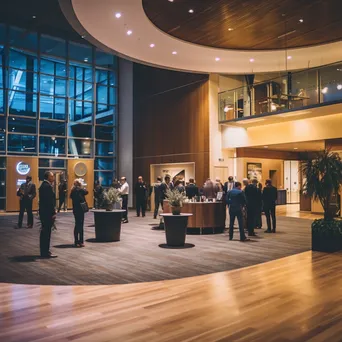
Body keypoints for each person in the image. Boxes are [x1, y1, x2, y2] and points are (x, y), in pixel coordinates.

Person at [39, 171, 57, 258]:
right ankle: (45, 252)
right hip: (47, 213)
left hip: (43, 212)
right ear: (48, 177)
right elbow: (49, 201)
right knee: (46, 232)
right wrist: (53, 213)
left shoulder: (43, 185)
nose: (53, 178)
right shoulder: (47, 187)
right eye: (52, 176)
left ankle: (44, 251)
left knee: (44, 232)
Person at [70, 179, 89, 247]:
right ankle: (81, 241)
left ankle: (76, 241)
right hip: (80, 209)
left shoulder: (72, 190)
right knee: (81, 225)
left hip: (75, 209)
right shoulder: (80, 190)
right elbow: (87, 192)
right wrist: (83, 187)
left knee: (77, 224)